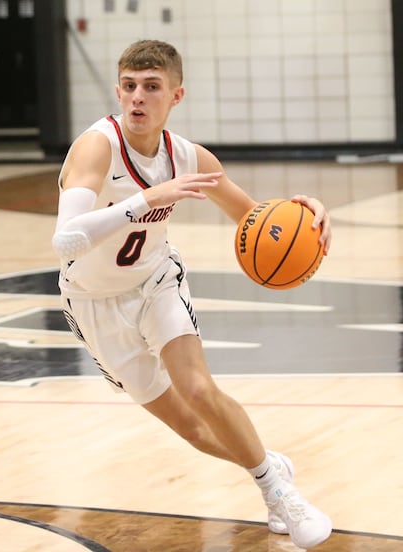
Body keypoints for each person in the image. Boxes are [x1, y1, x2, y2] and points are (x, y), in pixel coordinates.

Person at [51, 40, 333, 550]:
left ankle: (278, 496)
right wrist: (143, 201)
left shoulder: (187, 156)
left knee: (200, 389)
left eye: (151, 87)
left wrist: (304, 214)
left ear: (175, 96)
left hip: (157, 280)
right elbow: (65, 237)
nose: (138, 97)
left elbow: (253, 217)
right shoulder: (97, 147)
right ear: (118, 90)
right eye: (130, 87)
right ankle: (269, 464)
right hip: (91, 301)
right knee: (195, 432)